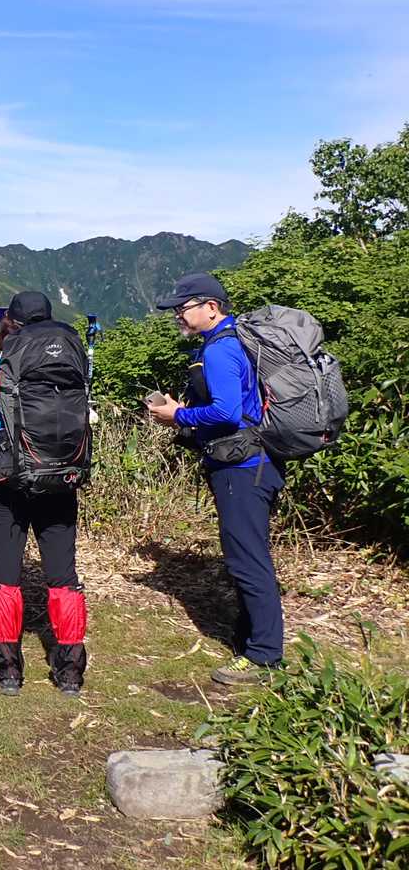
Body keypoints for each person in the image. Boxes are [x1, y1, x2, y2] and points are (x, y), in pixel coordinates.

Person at [147, 272, 285, 685]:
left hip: (241, 469)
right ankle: (249, 640)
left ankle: (263, 657)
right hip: (254, 463)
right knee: (247, 554)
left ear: (211, 307)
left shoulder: (221, 350)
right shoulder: (232, 341)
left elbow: (226, 412)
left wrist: (178, 415)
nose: (178, 315)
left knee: (247, 559)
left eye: (183, 308)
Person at [0, 291, 87, 697]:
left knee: (5, 576)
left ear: (9, 323)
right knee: (63, 578)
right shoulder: (73, 359)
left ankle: (9, 670)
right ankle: (70, 672)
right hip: (60, 477)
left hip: (5, 481)